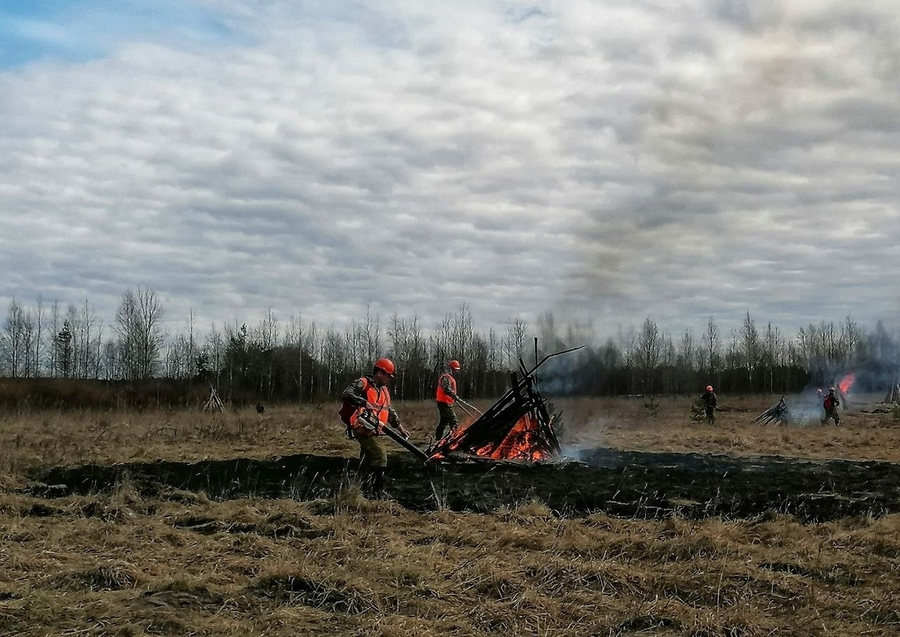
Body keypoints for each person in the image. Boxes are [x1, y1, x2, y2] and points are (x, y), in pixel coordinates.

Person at [340, 358, 410, 498]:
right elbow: (346, 394)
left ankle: (359, 489)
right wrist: (363, 402)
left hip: (373, 430)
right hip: (361, 428)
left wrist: (400, 428)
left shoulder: (383, 390)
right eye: (387, 376)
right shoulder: (363, 383)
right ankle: (376, 492)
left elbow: (389, 411)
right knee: (380, 454)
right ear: (379, 373)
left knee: (366, 460)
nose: (389, 379)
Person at [434, 359, 461, 442]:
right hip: (444, 403)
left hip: (444, 402)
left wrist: (453, 397)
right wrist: (454, 396)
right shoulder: (446, 377)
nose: (456, 371)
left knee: (444, 421)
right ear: (451, 369)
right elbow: (446, 389)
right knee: (453, 421)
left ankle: (438, 439)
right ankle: (454, 440)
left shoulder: (448, 377)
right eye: (455, 370)